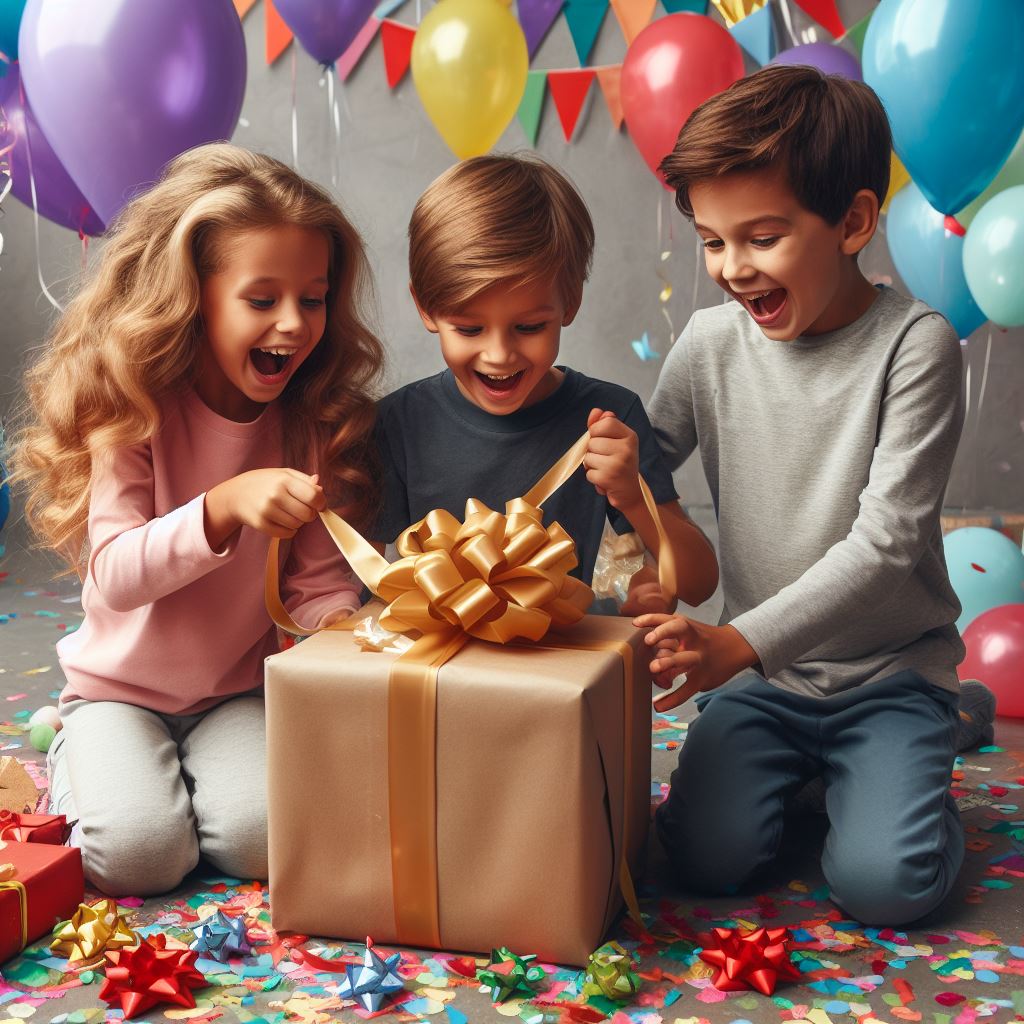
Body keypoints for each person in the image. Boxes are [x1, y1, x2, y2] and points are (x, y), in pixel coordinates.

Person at [636, 65, 992, 925]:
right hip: (765, 682)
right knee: (701, 860)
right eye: (713, 242)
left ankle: (938, 731)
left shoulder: (916, 346)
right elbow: (648, 464)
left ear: (854, 222)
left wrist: (735, 643)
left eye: (760, 238)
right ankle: (822, 781)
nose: (730, 268)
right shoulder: (710, 344)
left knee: (886, 887)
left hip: (888, 674)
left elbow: (886, 545)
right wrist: (618, 474)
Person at [10, 143, 384, 895]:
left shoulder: (310, 422)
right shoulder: (135, 409)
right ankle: (73, 744)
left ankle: (170, 781)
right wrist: (221, 507)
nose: (292, 324)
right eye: (261, 298)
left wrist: (358, 630)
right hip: (118, 691)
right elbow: (116, 575)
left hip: (232, 694)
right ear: (196, 296)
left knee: (266, 843)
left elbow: (314, 590)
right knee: (141, 859)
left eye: (312, 299)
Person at [371, 154, 718, 613]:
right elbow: (362, 582)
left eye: (529, 327)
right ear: (426, 309)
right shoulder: (398, 424)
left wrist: (634, 495)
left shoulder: (608, 418)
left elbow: (697, 584)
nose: (499, 355)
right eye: (470, 329)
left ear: (569, 302)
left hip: (560, 673)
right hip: (436, 676)